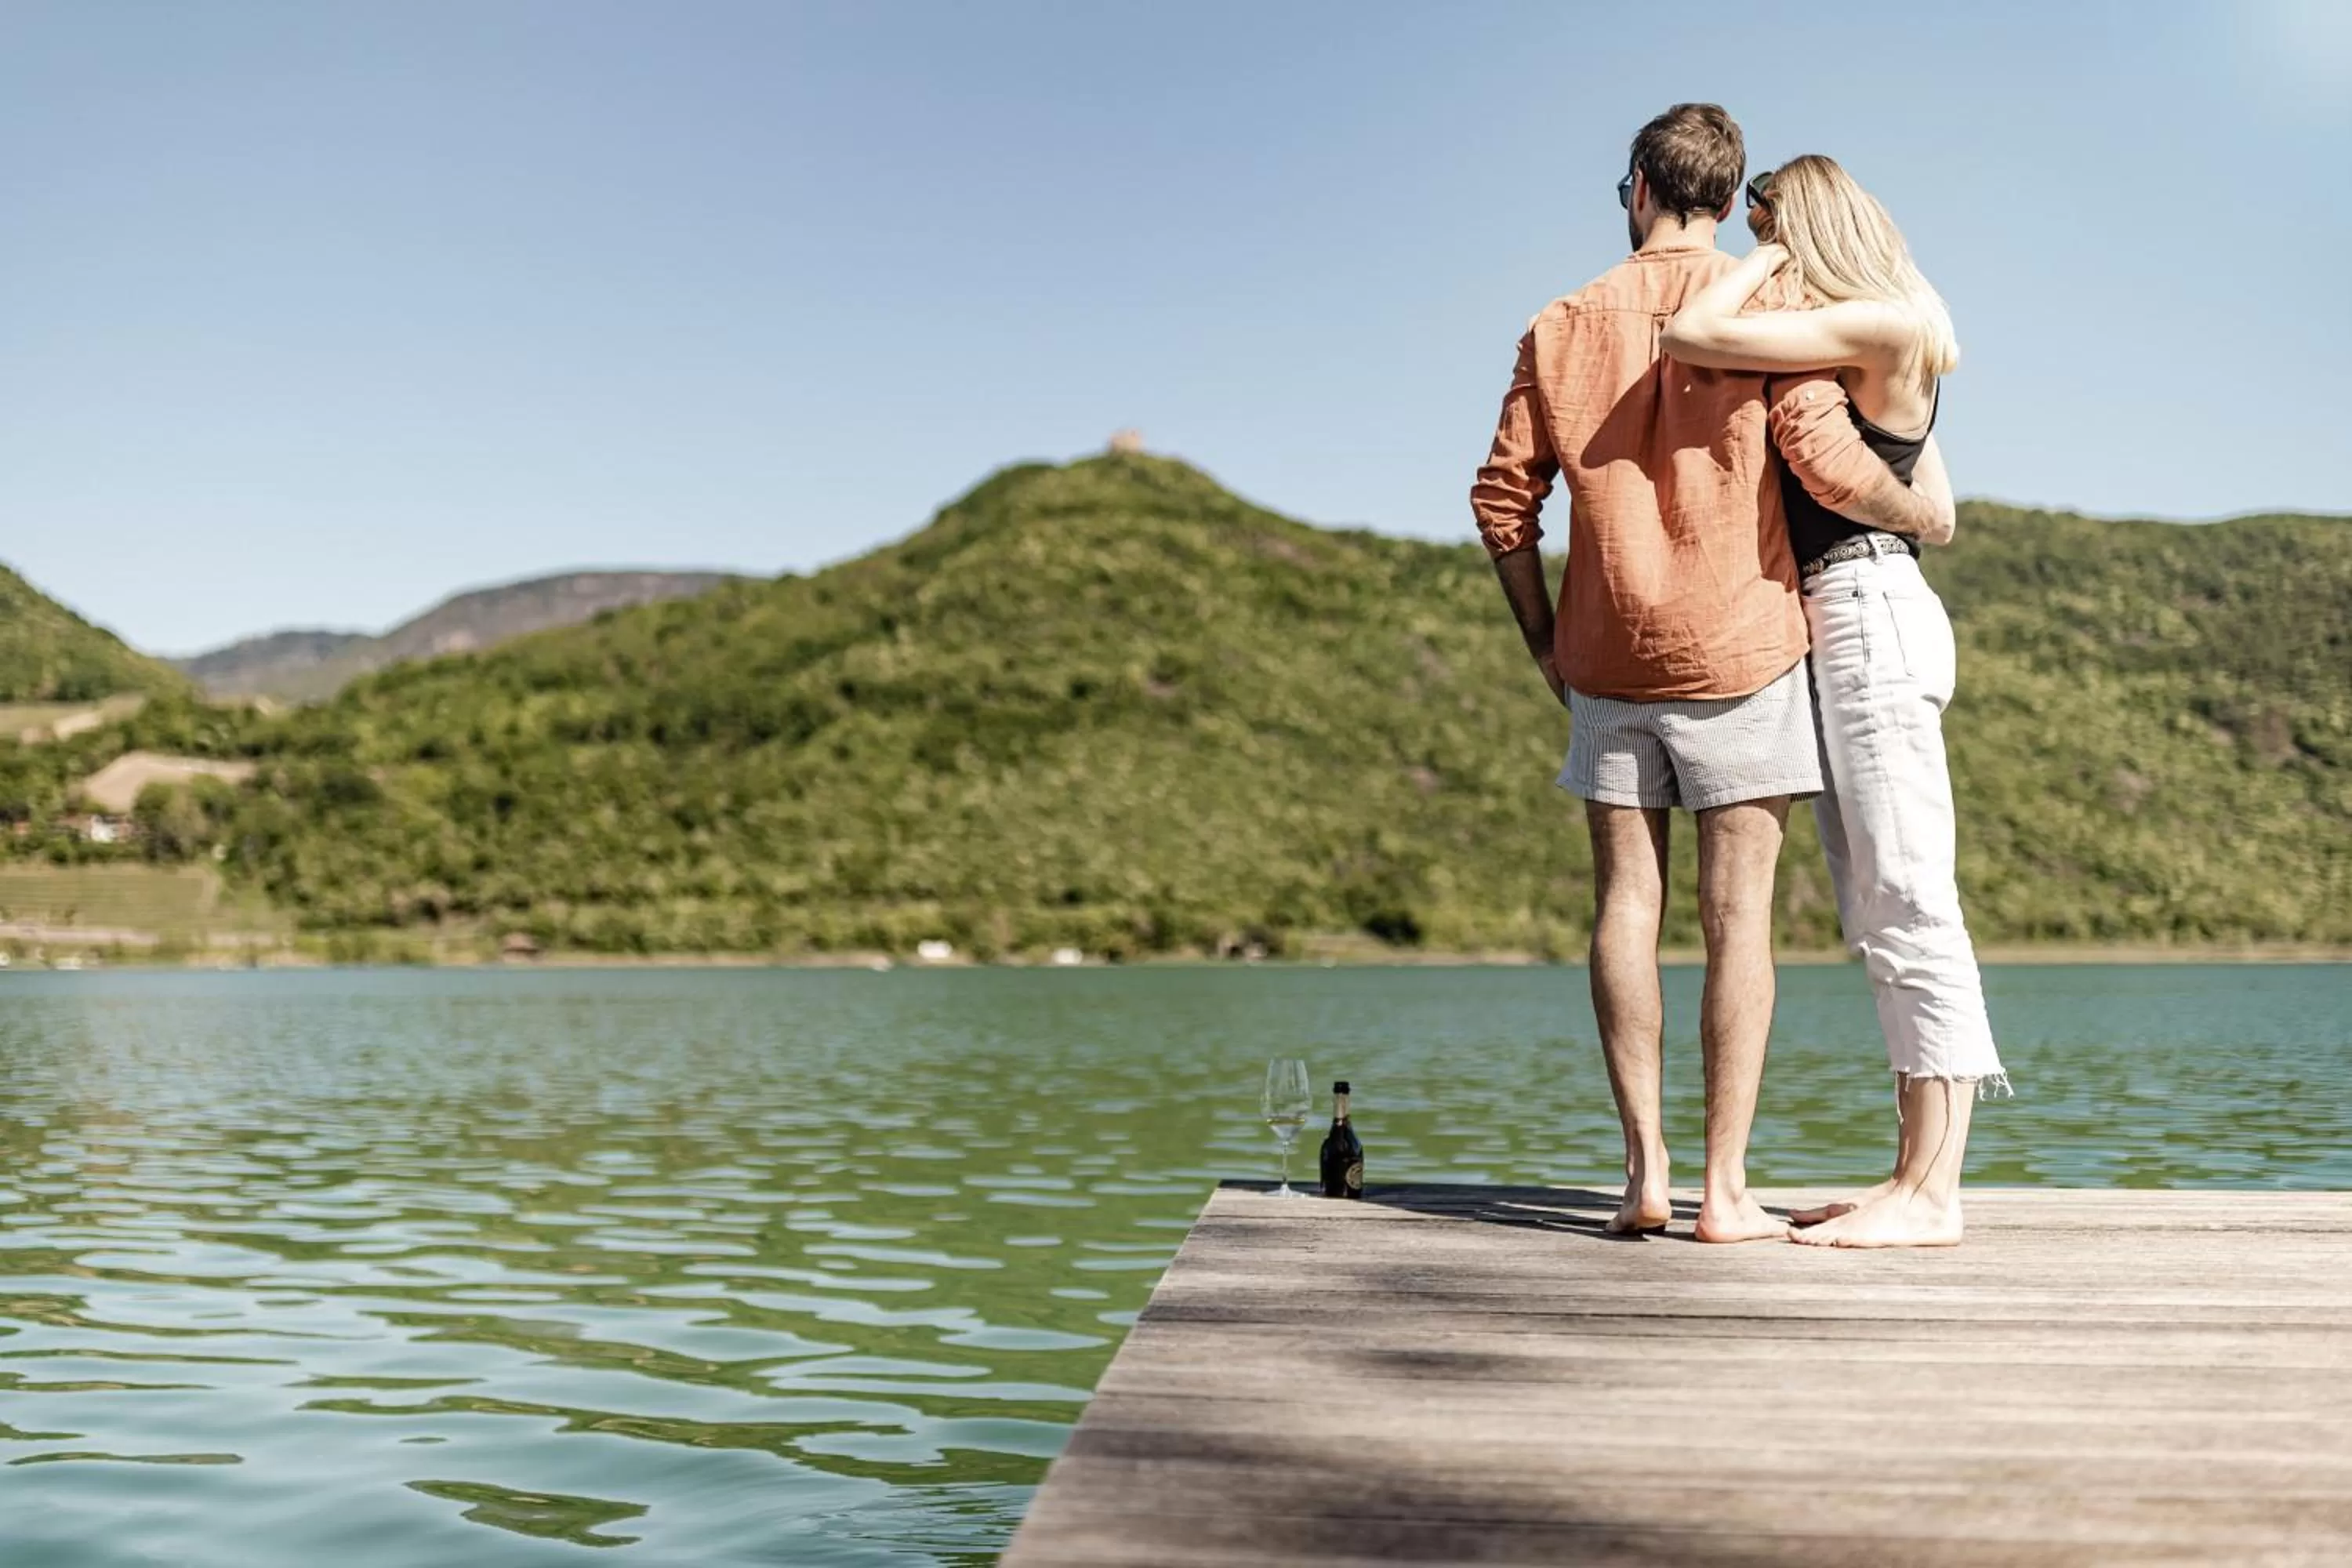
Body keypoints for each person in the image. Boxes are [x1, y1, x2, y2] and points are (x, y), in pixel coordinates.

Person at [1471, 107, 1951, 1243]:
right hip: (1743, 650)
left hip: (1606, 660)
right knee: (1739, 922)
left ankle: (1644, 1174)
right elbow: (1827, 461)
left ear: (1635, 186)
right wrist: (1921, 510)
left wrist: (1547, 640)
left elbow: (1502, 504)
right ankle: (1724, 1192)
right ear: (1733, 204)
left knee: (1623, 907)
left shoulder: (1557, 325)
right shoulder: (1769, 307)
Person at [1661, 153, 2009, 1249]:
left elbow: (1690, 331)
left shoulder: (1877, 321)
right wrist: (1927, 522)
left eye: (1765, 221)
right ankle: (1913, 1176)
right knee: (1877, 909)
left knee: (1910, 901)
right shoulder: (1897, 324)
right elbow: (1937, 498)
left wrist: (1763, 249)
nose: (1755, 246)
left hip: (1866, 609)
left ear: (1802, 223)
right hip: (1854, 607)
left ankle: (1934, 1193)